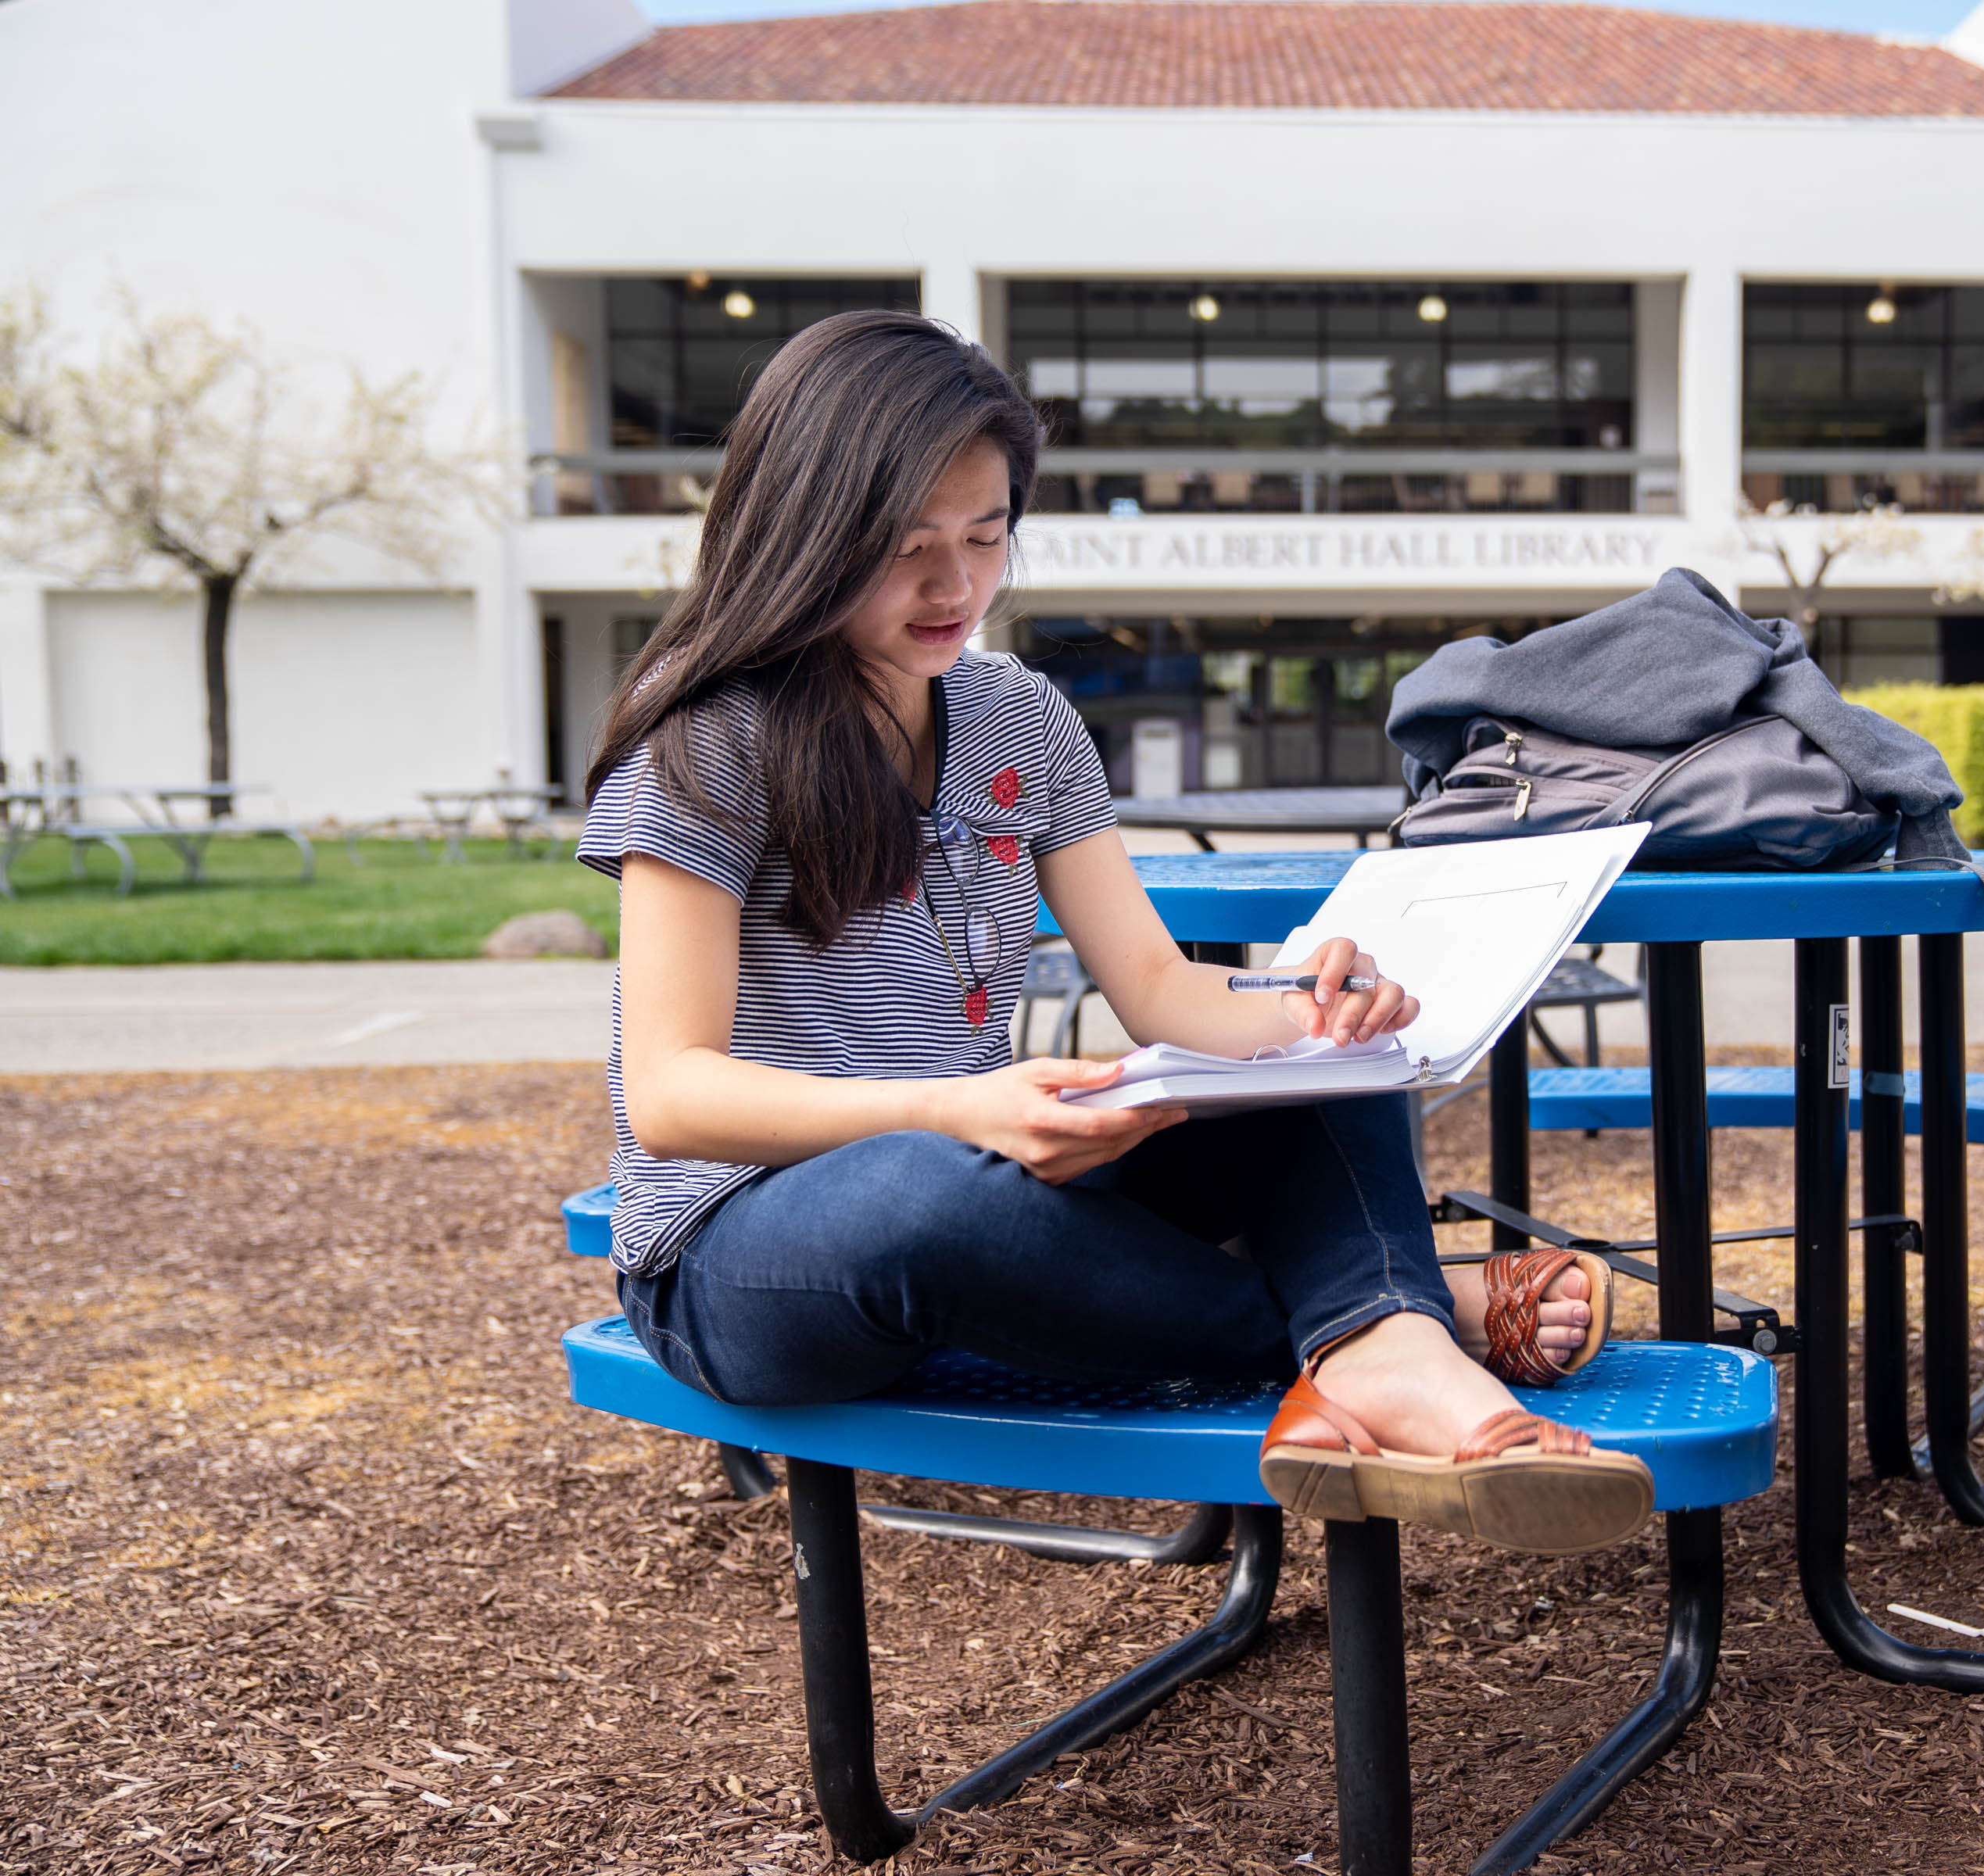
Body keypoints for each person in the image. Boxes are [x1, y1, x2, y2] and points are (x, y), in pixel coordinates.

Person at [577, 311, 1649, 1556]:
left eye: (986, 538)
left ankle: (1381, 1348)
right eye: (907, 548)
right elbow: (671, 1095)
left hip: (977, 1169)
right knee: (939, 1197)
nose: (956, 588)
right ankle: (1404, 1321)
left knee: (1304, 1065)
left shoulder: (1016, 717)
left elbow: (1156, 989)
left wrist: (1311, 1004)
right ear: (805, 538)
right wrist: (956, 1112)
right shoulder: (711, 740)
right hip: (742, 1253)